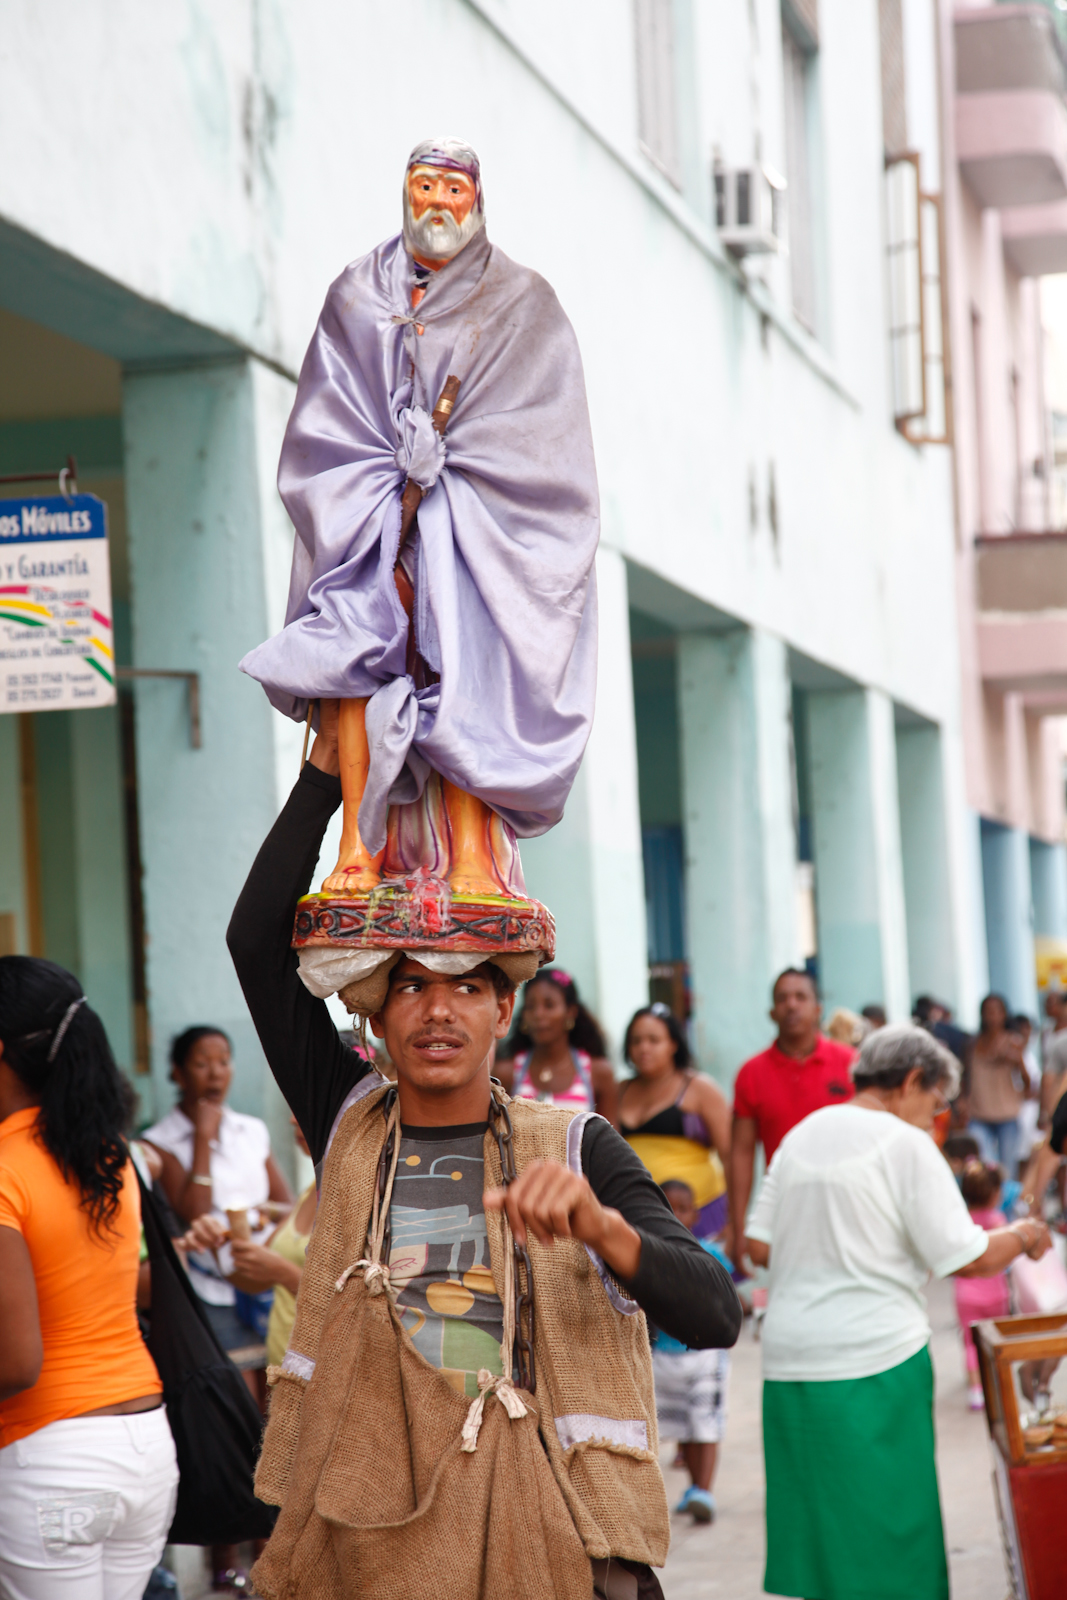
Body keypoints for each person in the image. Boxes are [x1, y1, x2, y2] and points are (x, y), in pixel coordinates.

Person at [226, 708, 742, 1600]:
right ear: (374, 1017)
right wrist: (325, 770)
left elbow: (713, 1313)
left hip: (555, 1538)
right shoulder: (349, 1118)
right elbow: (254, 942)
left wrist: (599, 1227)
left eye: (468, 986)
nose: (438, 1012)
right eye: (412, 986)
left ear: (504, 1010)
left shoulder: (575, 1144)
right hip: (380, 1535)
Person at [743, 1024, 1051, 1600]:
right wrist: (1025, 1233)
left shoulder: (802, 1134)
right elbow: (971, 1257)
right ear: (912, 1081)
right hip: (874, 1361)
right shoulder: (903, 1143)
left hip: (790, 1364)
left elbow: (757, 1248)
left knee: (822, 1541)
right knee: (891, 1529)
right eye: (935, 1104)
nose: (933, 1119)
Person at [0, 956, 178, 1600]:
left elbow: (16, 1363)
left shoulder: (4, 1169)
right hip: (146, 1446)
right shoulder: (110, 1157)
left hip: (49, 1458)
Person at [143, 1026, 292, 1353]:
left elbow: (287, 1206)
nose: (215, 1074)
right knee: (236, 1392)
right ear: (178, 1075)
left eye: (224, 1062)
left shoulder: (251, 1130)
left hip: (267, 1285)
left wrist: (266, 1246)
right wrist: (202, 1138)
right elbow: (194, 1213)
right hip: (211, 1290)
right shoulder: (158, 1144)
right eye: (201, 1064)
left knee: (277, 1389)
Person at [725, 968, 854, 1268]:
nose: (792, 1005)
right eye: (782, 999)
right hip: (787, 1207)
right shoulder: (751, 1074)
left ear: (818, 1009)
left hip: (849, 1201)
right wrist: (737, 1224)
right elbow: (742, 1153)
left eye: (801, 997)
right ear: (772, 1012)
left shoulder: (850, 1064)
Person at [182, 1114, 319, 1371]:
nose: (291, 1119)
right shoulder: (313, 1189)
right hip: (285, 1369)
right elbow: (253, 1279)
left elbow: (354, 1307)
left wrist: (283, 1273)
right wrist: (214, 1242)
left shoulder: (360, 1194)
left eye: (308, 1104)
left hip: (324, 1375)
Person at [652, 1181, 731, 1526]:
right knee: (684, 1425)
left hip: (704, 1356)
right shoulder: (645, 1255)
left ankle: (704, 1490)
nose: (677, 1215)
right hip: (662, 1357)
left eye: (683, 1208)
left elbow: (726, 1299)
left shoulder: (710, 1256)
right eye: (669, 1207)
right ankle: (693, 1489)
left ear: (696, 1213)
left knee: (704, 1424)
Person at [618, 1004, 731, 1240]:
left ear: (674, 1044)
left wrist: (733, 1224)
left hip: (701, 1214)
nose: (643, 1048)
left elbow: (731, 1156)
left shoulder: (700, 1088)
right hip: (637, 1220)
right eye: (636, 1041)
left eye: (653, 1040)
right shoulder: (619, 1091)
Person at [494, 968, 618, 1124]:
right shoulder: (507, 1073)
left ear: (571, 1012)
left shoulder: (597, 1072)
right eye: (531, 1006)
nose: (538, 1014)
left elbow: (610, 1141)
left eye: (549, 1005)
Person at [953, 1160, 1010, 1411]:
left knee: (970, 1342)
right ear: (996, 1194)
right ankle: (999, 1384)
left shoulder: (961, 1222)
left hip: (967, 1294)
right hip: (996, 1292)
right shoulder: (997, 1220)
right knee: (997, 1341)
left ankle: (977, 1390)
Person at [968, 993, 1027, 1173]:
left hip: (1006, 1113)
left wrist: (1017, 1061)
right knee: (983, 1166)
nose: (992, 1016)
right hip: (978, 1112)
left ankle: (1006, 1201)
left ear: (1004, 1014)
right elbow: (967, 1078)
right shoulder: (972, 1043)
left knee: (1007, 1167)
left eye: (996, 1012)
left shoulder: (1013, 1042)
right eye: (988, 1012)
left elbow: (1027, 1081)